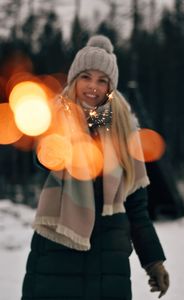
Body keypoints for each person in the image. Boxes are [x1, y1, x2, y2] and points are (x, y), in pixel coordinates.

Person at [21, 35, 169, 300]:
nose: (93, 87)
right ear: (74, 79)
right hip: (56, 258)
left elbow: (136, 207)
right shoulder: (55, 117)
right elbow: (43, 157)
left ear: (111, 86)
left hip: (109, 267)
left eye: (103, 80)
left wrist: (153, 261)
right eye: (86, 77)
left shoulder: (125, 131)